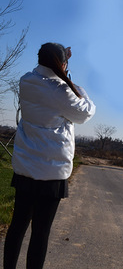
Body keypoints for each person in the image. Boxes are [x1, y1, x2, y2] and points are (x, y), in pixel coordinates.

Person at [3, 42, 96, 269]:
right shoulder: (61, 91)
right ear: (62, 64)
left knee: (17, 227)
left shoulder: (26, 81)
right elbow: (85, 112)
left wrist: (63, 66)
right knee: (40, 233)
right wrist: (68, 74)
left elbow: (52, 77)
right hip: (51, 173)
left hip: (26, 167)